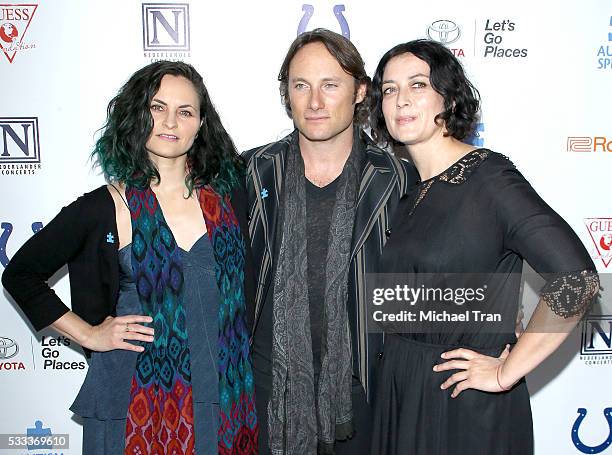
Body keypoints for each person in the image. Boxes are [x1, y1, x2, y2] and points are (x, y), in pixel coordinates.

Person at [2, 61, 258, 455]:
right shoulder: (108, 206)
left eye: (185, 111)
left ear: (201, 123)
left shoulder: (231, 198)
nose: (170, 121)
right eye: (157, 107)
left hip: (225, 400)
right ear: (137, 114)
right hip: (135, 403)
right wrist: (89, 334)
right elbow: (21, 274)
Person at [368, 39, 600, 454]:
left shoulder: (488, 178)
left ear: (449, 96)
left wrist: (504, 372)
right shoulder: (411, 190)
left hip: (460, 403)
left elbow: (577, 281)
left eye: (417, 85)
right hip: (403, 390)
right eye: (389, 89)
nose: (401, 100)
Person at [243, 28, 417, 454]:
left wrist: (497, 327)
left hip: (364, 390)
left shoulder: (399, 180)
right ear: (287, 94)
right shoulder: (250, 172)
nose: (315, 102)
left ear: (360, 92)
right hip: (268, 393)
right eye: (301, 85)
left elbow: (442, 269)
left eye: (330, 85)